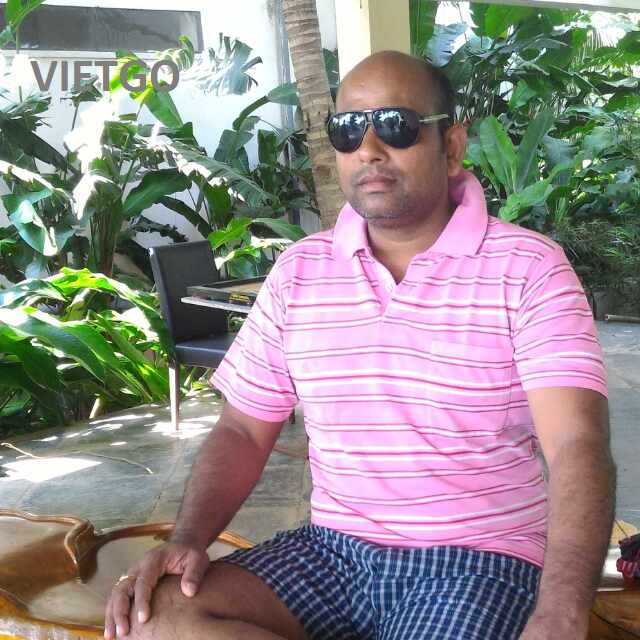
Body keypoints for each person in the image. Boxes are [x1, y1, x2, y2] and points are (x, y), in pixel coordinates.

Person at [104, 51, 615, 640]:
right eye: (348, 130)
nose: (368, 149)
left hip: (480, 560)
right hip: (331, 554)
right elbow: (242, 430)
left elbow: (577, 444)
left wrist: (561, 611)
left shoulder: (527, 268)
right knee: (158, 616)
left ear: (451, 146)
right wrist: (188, 539)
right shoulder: (300, 270)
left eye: (396, 125)